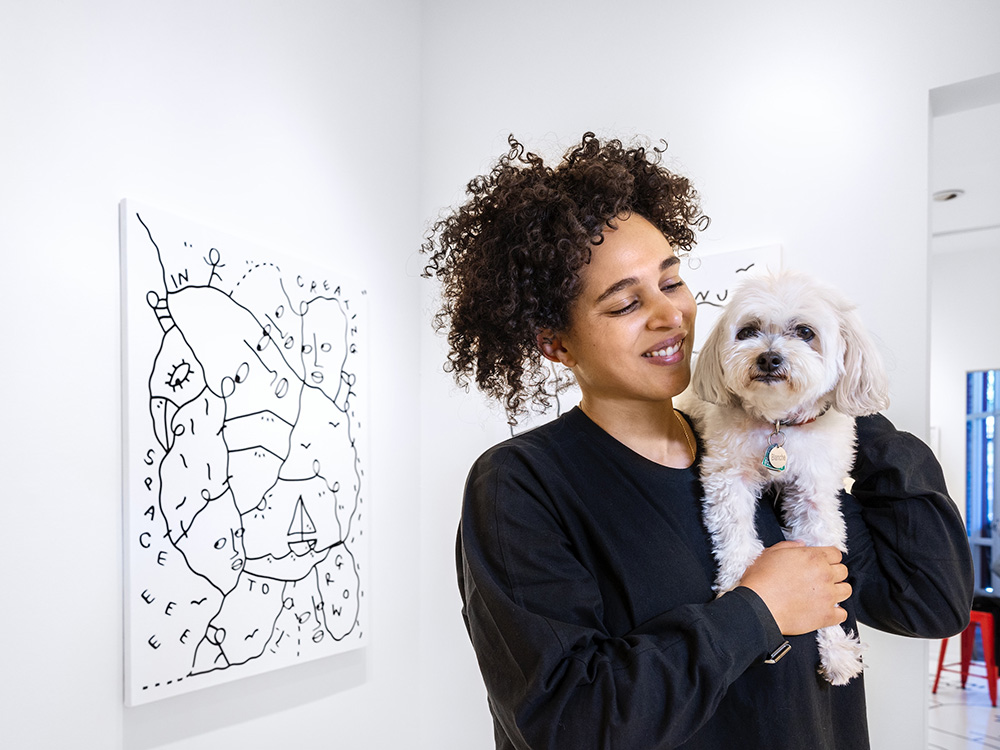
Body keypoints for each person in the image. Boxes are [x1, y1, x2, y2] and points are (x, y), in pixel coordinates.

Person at [421, 132, 973, 750]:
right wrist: (757, 612)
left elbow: (931, 600)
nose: (671, 315)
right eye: (626, 303)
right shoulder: (522, 485)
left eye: (671, 281)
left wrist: (834, 390)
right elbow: (567, 721)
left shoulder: (762, 451)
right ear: (556, 343)